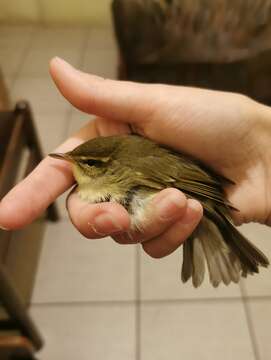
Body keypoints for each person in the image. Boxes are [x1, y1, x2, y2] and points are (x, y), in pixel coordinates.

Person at [0, 57, 270, 259]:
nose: (75, 166)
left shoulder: (135, 168)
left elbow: (190, 178)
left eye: (89, 164)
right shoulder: (113, 170)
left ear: (109, 168)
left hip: (201, 190)